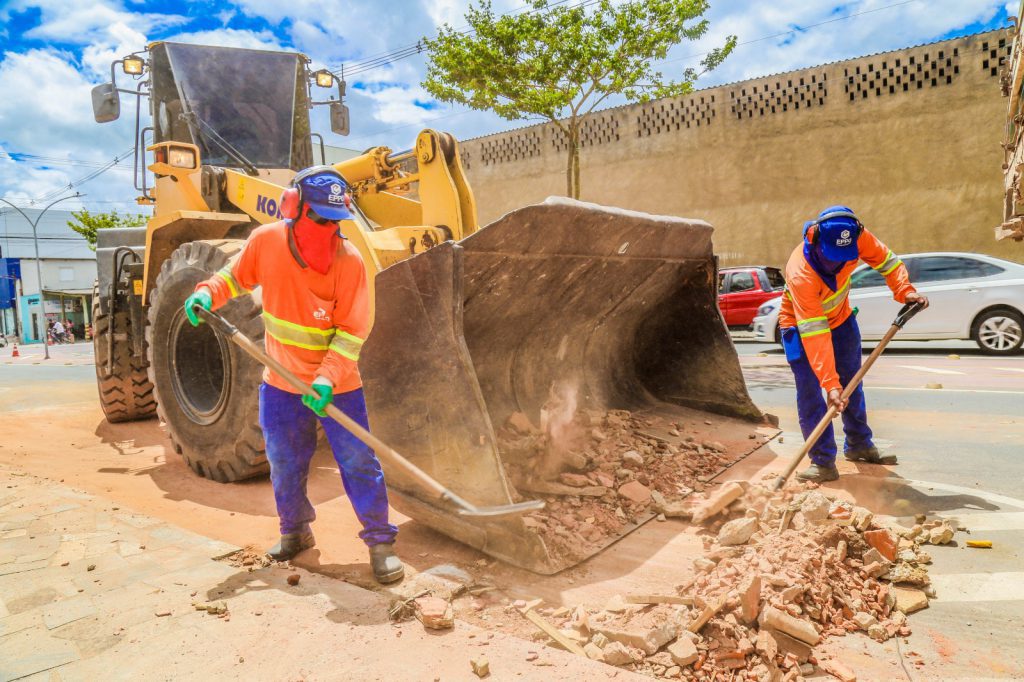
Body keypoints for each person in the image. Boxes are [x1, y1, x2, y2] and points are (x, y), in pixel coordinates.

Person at [183, 166, 404, 583]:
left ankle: (380, 541)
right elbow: (234, 277)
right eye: (320, 217)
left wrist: (326, 379)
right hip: (281, 384)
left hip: (337, 386)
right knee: (284, 463)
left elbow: (353, 332)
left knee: (358, 462)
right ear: (292, 207)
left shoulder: (349, 262)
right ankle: (294, 531)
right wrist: (206, 292)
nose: (329, 228)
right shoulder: (266, 242)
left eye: (336, 220)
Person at [779, 206, 928, 483]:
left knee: (852, 382)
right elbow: (814, 332)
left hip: (841, 319)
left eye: (844, 257)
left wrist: (905, 291)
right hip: (801, 328)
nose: (838, 263)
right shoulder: (801, 272)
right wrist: (830, 384)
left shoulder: (856, 237)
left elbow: (888, 262)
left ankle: (859, 444)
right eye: (831, 256)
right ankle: (822, 462)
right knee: (812, 393)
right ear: (814, 239)